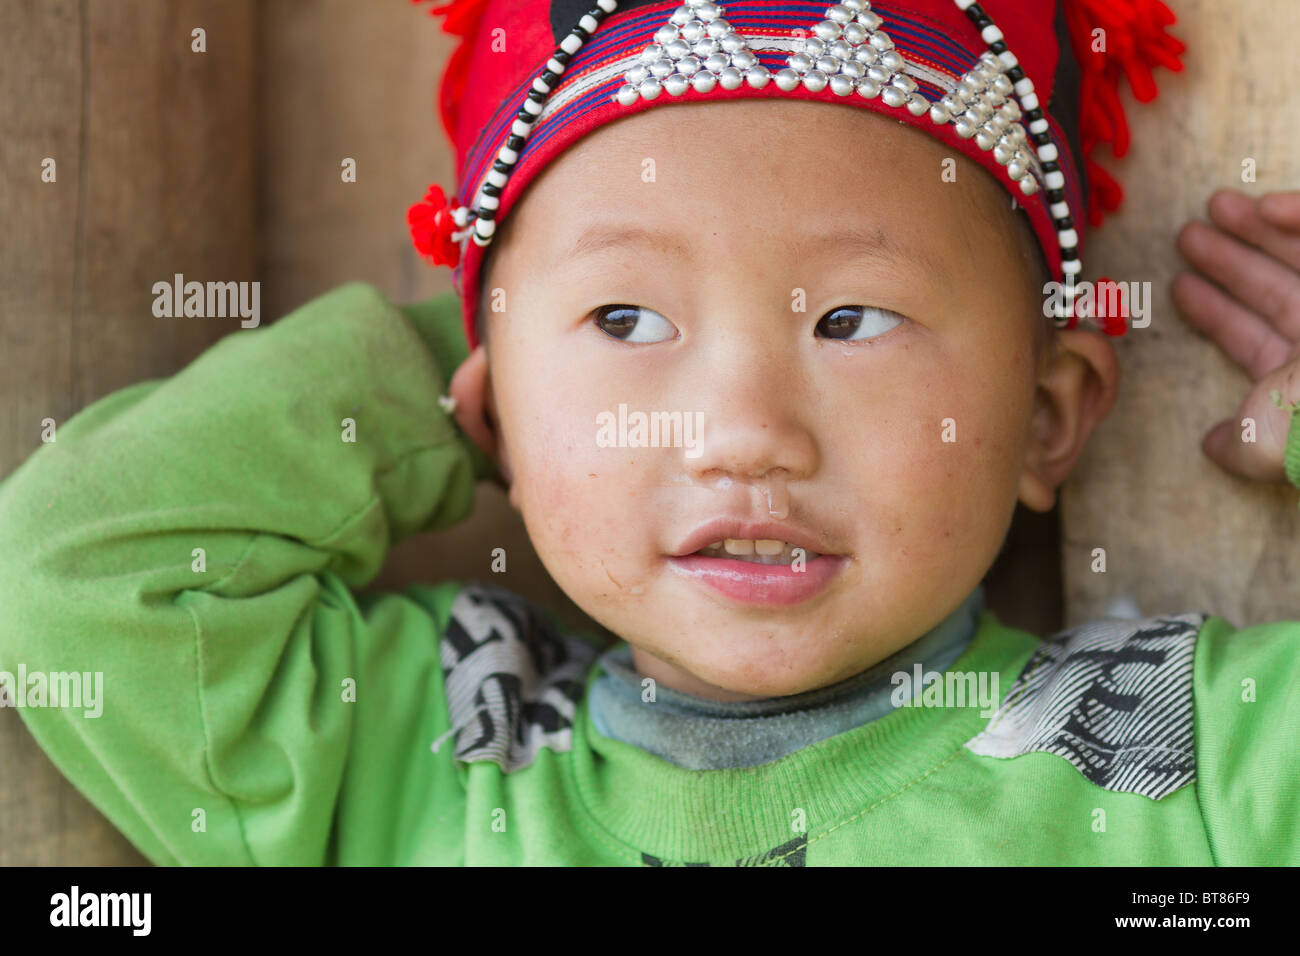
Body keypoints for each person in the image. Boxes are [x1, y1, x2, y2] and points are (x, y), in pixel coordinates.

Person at [0, 0, 1296, 865]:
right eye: (626, 317)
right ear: (493, 409)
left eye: (852, 320)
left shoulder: (1185, 763)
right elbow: (79, 565)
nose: (744, 435)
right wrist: (485, 357)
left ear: (1046, 414)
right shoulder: (424, 763)